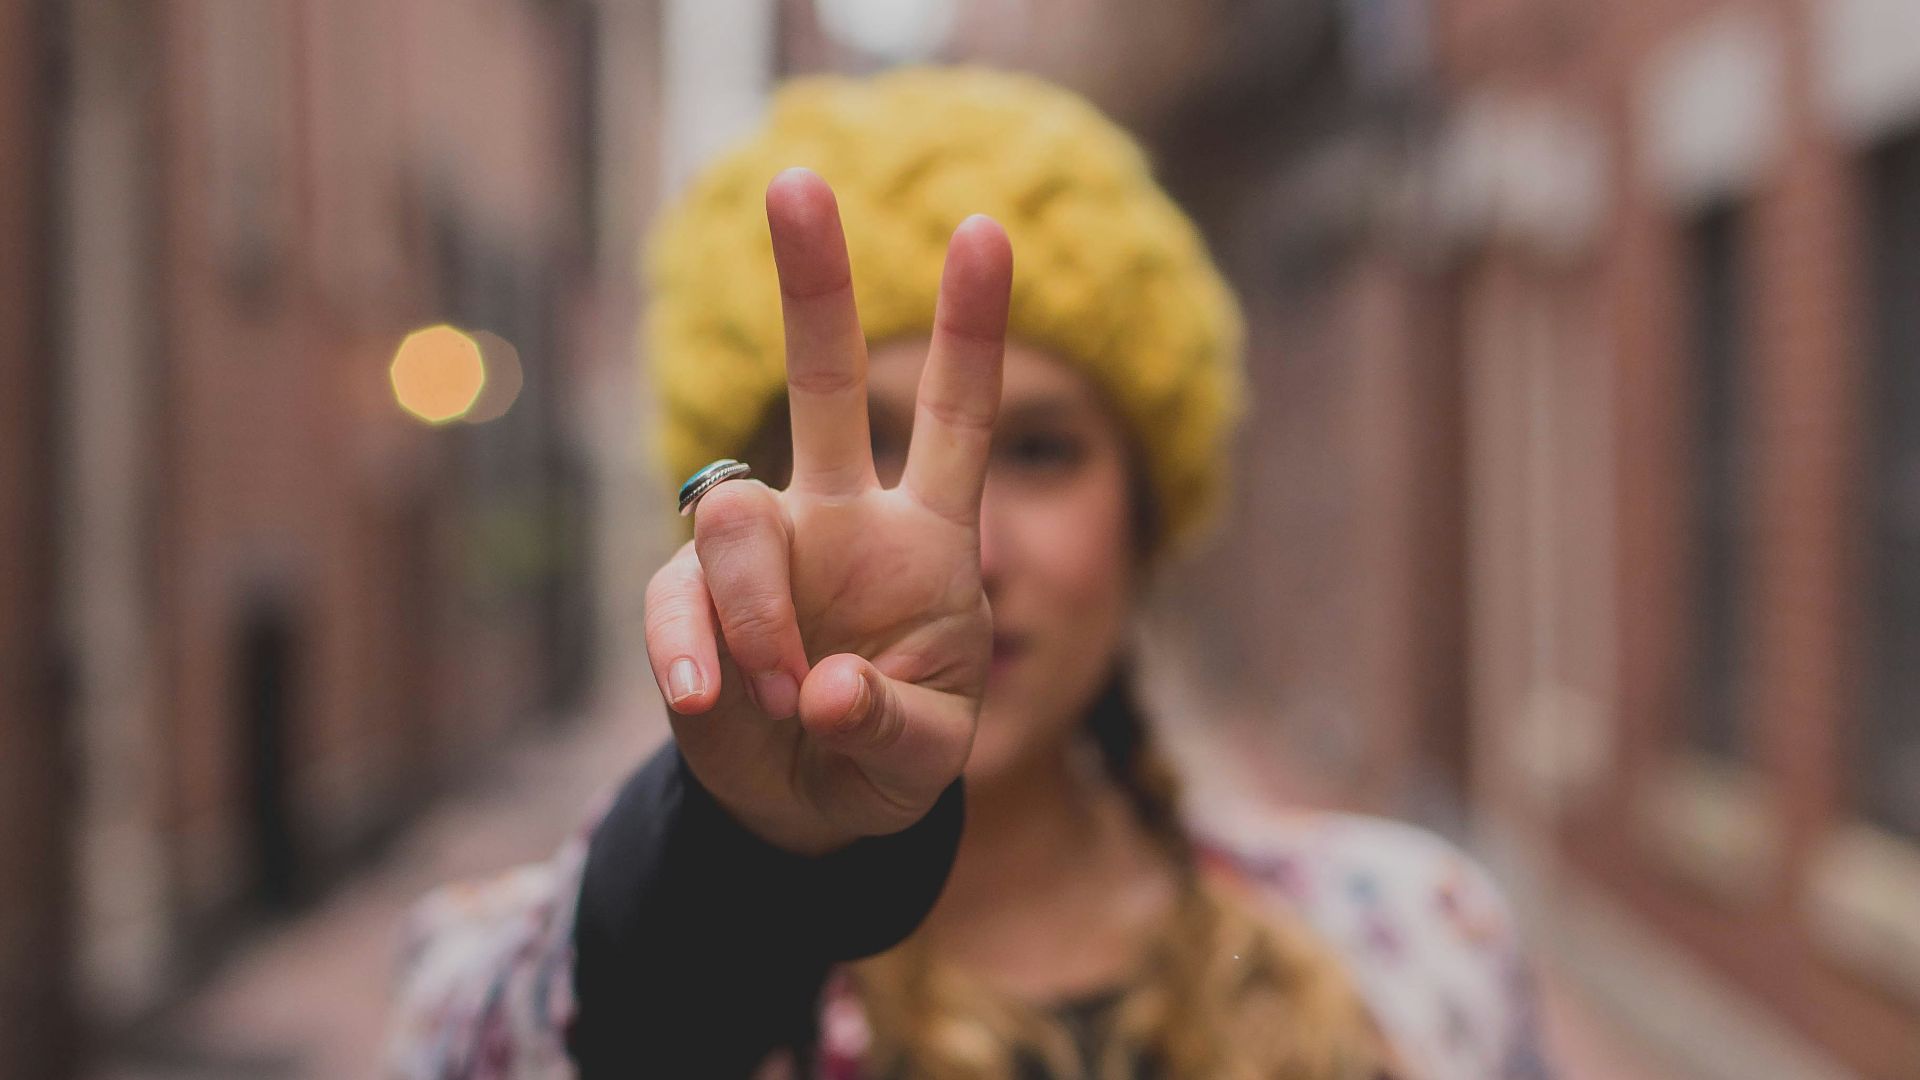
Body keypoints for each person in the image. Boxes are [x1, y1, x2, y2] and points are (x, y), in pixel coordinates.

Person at [383, 67, 1553, 1080]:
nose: (964, 559)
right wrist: (734, 863)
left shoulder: (1416, 947)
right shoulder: (523, 974)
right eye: (863, 446)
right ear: (739, 510)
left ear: (1144, 521)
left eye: (1040, 452)